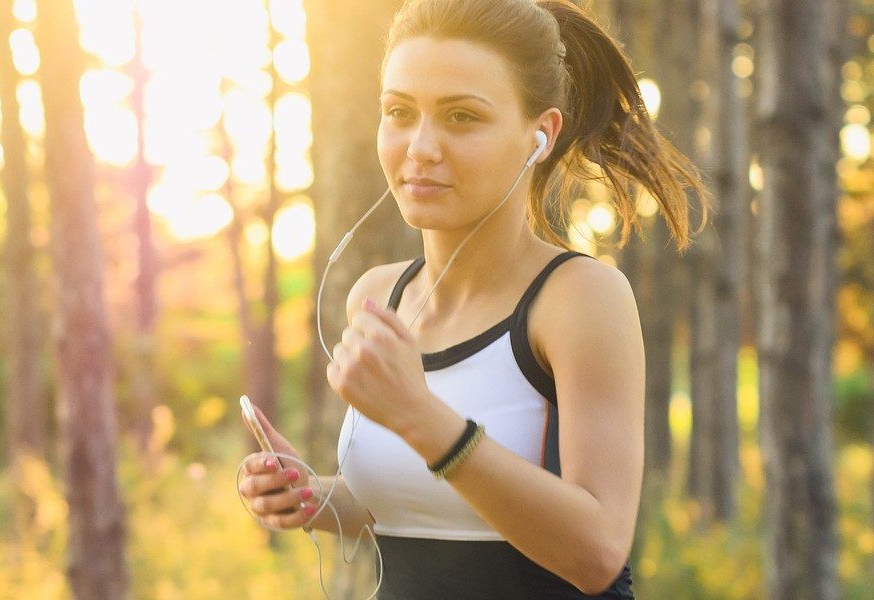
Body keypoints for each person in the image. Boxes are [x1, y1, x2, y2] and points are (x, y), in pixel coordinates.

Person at [238, 0, 708, 598]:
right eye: (399, 112)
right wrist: (314, 496)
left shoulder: (580, 299)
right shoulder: (379, 296)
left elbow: (597, 552)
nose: (421, 147)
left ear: (541, 135)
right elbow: (423, 507)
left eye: (461, 116)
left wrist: (421, 417)